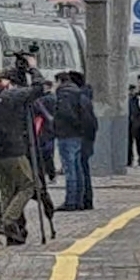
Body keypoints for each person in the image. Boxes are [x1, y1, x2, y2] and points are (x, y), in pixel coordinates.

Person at [0, 70, 40, 245]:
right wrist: (33, 69)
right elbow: (38, 89)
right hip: (12, 149)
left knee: (6, 191)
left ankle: (13, 234)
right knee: (29, 185)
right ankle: (8, 222)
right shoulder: (11, 95)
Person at [47, 68, 97, 214]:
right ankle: (80, 200)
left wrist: (58, 125)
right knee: (78, 168)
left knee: (70, 169)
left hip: (67, 134)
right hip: (78, 135)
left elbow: (65, 113)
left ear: (59, 82)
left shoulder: (64, 94)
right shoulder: (79, 92)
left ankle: (71, 201)